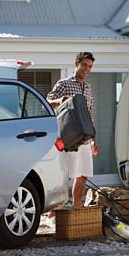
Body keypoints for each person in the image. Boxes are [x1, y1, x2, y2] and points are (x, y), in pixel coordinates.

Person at [47, 52, 98, 208]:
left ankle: (77, 207)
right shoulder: (64, 83)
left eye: (89, 66)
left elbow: (90, 113)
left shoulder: (88, 89)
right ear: (77, 64)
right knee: (65, 175)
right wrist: (60, 100)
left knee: (83, 174)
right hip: (68, 137)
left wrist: (94, 139)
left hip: (85, 138)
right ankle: (54, 212)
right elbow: (47, 100)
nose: (86, 69)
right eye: (84, 65)